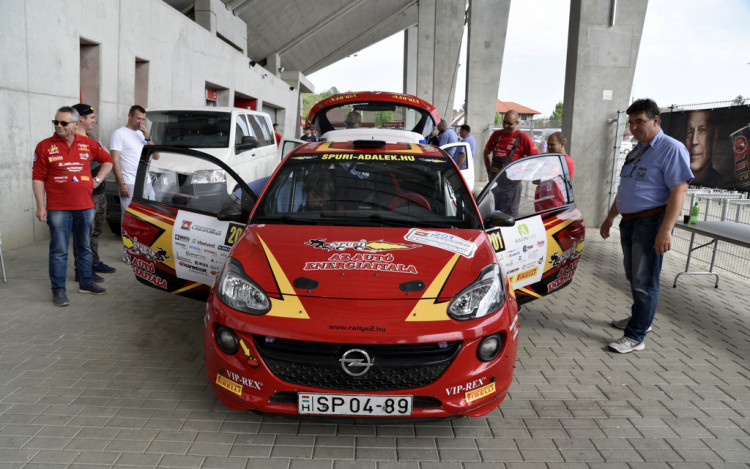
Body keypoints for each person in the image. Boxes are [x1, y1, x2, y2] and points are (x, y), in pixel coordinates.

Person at [600, 98, 693, 354]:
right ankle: (641, 318)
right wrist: (610, 217)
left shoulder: (671, 149)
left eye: (639, 122)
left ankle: (636, 336)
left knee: (645, 281)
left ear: (655, 120)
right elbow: (625, 188)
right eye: (631, 123)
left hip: (651, 223)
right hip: (630, 223)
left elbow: (679, 190)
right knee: (633, 276)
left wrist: (665, 230)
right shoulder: (637, 150)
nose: (634, 127)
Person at [32, 106, 113, 306]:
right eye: (56, 122)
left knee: (84, 246)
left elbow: (108, 160)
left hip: (85, 206)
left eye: (63, 122)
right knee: (59, 250)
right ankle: (59, 290)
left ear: (76, 124)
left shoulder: (88, 143)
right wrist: (41, 206)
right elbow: (38, 178)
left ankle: (86, 282)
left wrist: (97, 180)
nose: (58, 126)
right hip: (58, 208)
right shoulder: (44, 146)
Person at [71, 104, 117, 282]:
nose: (94, 121)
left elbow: (105, 156)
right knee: (84, 233)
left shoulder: (90, 137)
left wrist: (98, 180)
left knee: (96, 230)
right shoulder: (73, 140)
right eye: (91, 118)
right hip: (86, 194)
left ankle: (93, 263)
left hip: (99, 192)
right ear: (80, 119)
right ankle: (81, 270)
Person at [110, 105, 157, 263]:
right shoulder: (119, 133)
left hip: (146, 182)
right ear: (129, 116)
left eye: (143, 119)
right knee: (130, 220)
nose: (141, 122)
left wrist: (147, 137)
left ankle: (144, 250)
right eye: (138, 118)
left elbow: (156, 156)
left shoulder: (142, 134)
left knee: (148, 219)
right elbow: (115, 161)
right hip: (129, 182)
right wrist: (121, 183)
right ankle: (128, 253)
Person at [483, 110, 540, 216]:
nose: (506, 125)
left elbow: (536, 159)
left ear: (516, 123)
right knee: (493, 216)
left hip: (511, 189)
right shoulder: (496, 135)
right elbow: (486, 153)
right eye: (504, 122)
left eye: (509, 123)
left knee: (508, 218)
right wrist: (489, 174)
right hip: (495, 185)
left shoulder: (523, 137)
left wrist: (522, 175)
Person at [685, 110, 727, 188]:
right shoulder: (673, 179)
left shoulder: (723, 184)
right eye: (689, 132)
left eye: (702, 130)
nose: (694, 141)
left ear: (714, 137)